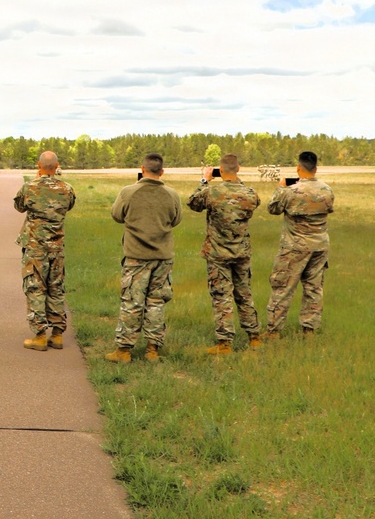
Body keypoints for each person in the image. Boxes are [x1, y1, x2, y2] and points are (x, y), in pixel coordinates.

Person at [106, 153, 182, 362]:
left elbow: (116, 215)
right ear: (162, 171)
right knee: (156, 302)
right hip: (163, 256)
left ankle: (124, 350)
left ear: (142, 169)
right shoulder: (172, 194)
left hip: (136, 257)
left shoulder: (128, 192)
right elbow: (176, 219)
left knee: (132, 302)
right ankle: (152, 349)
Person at [186, 154, 261, 355]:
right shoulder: (249, 193)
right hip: (241, 251)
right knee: (244, 293)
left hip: (218, 252)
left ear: (220, 169)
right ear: (238, 168)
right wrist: (237, 182)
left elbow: (192, 202)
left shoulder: (212, 191)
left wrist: (205, 180)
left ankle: (225, 342)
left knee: (221, 296)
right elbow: (255, 202)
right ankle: (254, 336)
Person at [262, 151, 334, 338]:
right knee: (314, 288)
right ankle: (309, 330)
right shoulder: (326, 190)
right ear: (316, 169)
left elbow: (273, 209)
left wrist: (280, 187)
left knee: (283, 286)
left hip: (295, 246)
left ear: (298, 168)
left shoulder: (291, 191)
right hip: (320, 246)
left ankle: (273, 331)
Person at [14, 150, 76, 351]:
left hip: (35, 247)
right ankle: (57, 334)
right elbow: (69, 207)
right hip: (56, 246)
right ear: (57, 166)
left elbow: (19, 207)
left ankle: (40, 335)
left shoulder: (30, 187)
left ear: (38, 165)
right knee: (56, 288)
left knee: (35, 289)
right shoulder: (67, 189)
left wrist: (37, 182)